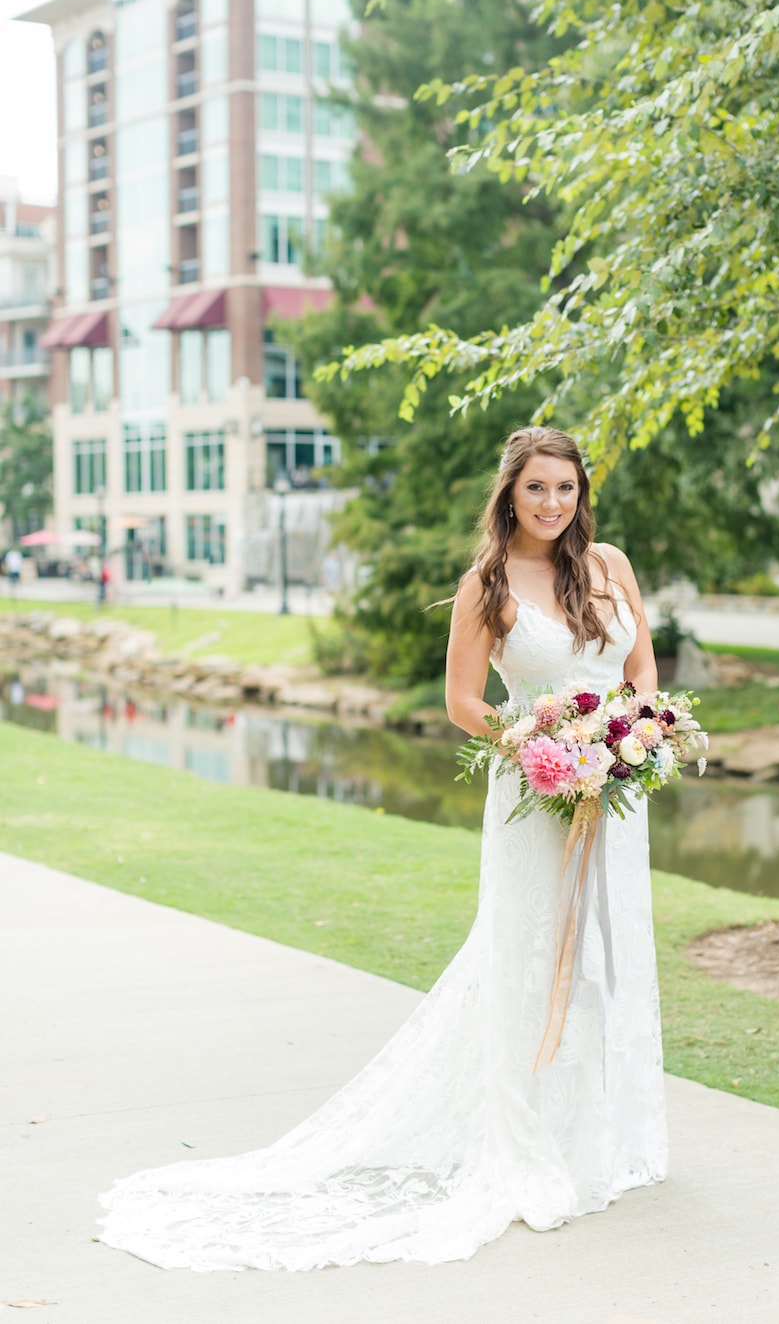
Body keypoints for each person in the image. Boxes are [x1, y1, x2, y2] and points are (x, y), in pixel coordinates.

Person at [98, 425, 667, 1270]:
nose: (553, 504)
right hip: (540, 785)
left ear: (583, 495)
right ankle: (526, 1142)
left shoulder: (610, 565)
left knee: (604, 957)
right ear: (509, 493)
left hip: (614, 789)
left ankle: (598, 1137)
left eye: (567, 489)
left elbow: (643, 671)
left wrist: (631, 735)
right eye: (537, 488)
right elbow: (463, 703)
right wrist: (543, 743)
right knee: (535, 953)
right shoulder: (488, 584)